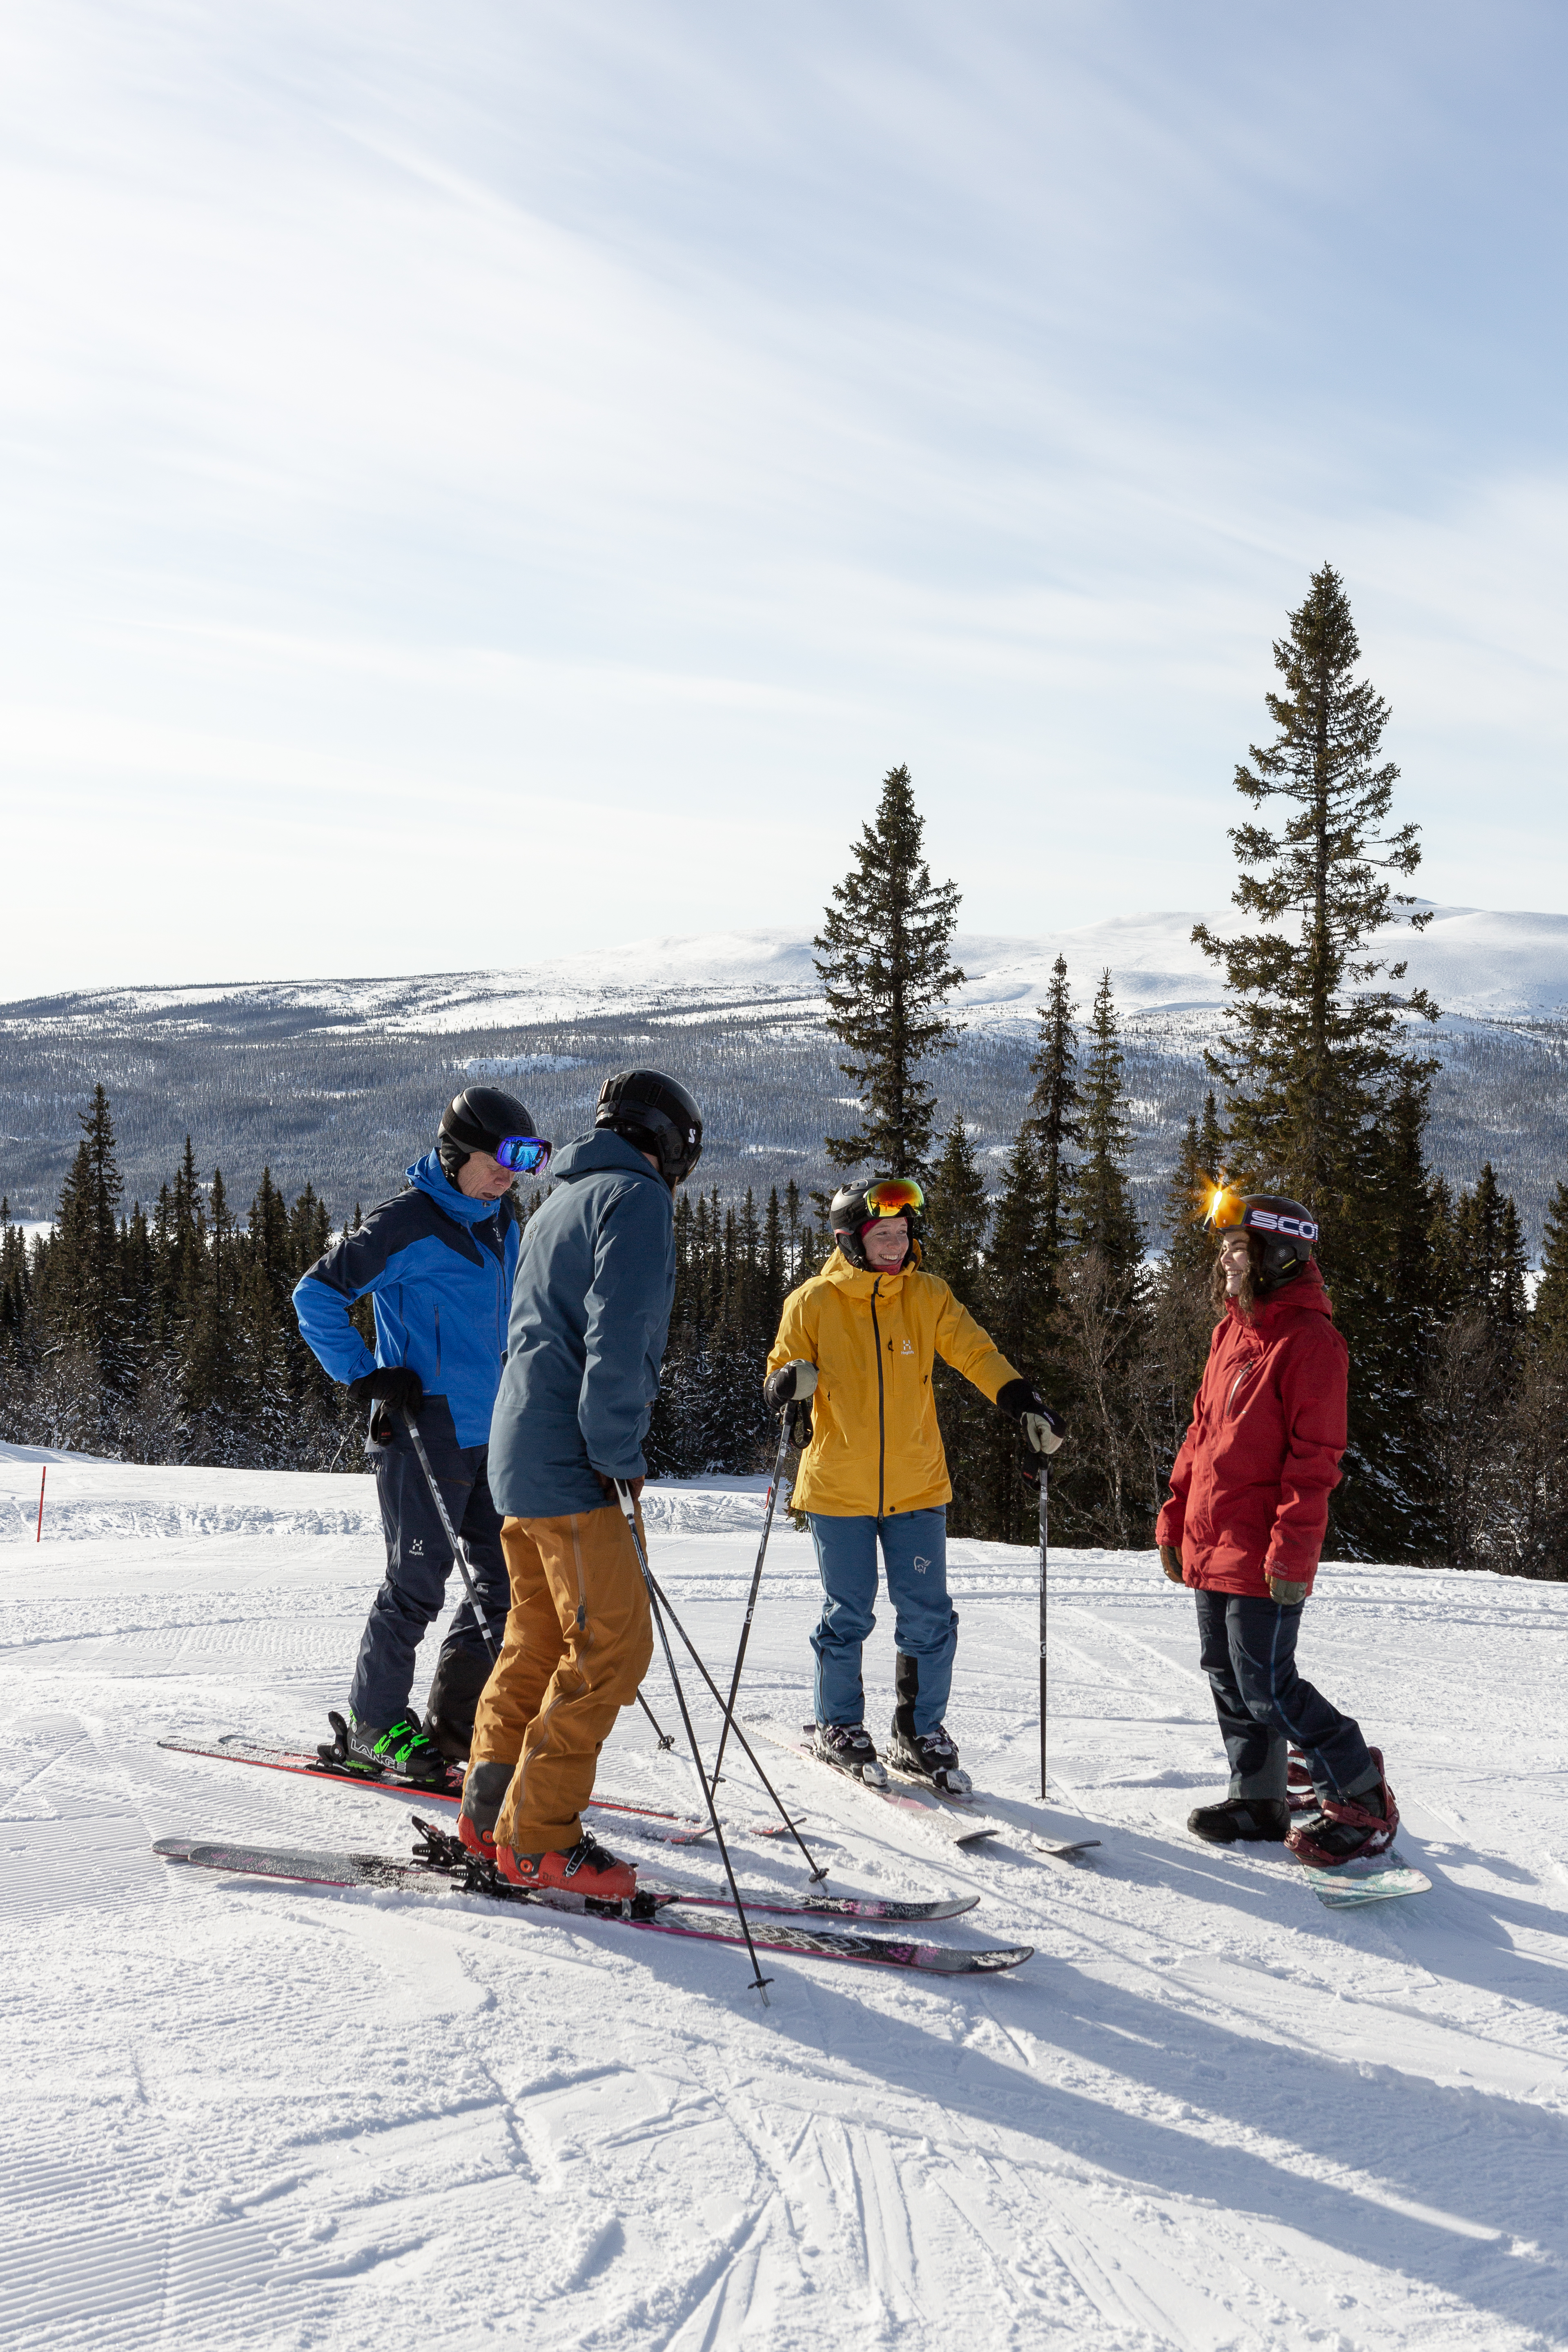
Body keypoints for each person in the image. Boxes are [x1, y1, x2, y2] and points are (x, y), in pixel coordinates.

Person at [457, 1069, 703, 1900]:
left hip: (519, 1455)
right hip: (571, 1464)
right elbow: (618, 1334)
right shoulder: (634, 1202)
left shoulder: (557, 1201)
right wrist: (616, 1448)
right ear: (669, 1142)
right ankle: (538, 1841)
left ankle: (490, 1812)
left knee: (537, 1637)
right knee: (611, 1647)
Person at [764, 1175, 1064, 1791]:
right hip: (838, 1490)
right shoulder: (814, 1301)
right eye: (883, 1236)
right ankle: (839, 1725)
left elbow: (977, 1354)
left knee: (928, 1616)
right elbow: (780, 1371)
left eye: (903, 1234)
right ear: (852, 1239)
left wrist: (1024, 1403)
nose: (896, 1247)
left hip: (919, 1487)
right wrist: (789, 1383)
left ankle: (918, 1730)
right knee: (848, 1613)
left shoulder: (928, 1296)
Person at [292, 1087, 551, 1783]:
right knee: (415, 1587)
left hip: (493, 1430)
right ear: (455, 1153)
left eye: (522, 1161)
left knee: (504, 1583)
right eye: (499, 1159)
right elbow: (314, 1295)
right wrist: (364, 1374)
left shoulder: (501, 1220)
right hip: (421, 1430)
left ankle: (454, 1727)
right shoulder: (404, 1222)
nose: (511, 1174)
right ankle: (372, 1728)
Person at [1156, 1187, 1399, 1866]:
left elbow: (1315, 1460)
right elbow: (1201, 1432)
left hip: (1264, 1546)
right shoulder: (1233, 1329)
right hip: (1212, 1533)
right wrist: (1176, 1518)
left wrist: (1293, 1552)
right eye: (1227, 1249)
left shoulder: (1312, 1342)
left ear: (1280, 1253)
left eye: (1240, 1248)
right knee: (1225, 1675)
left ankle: (1361, 1792)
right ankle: (1258, 1798)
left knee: (1267, 1686)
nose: (1228, 1261)